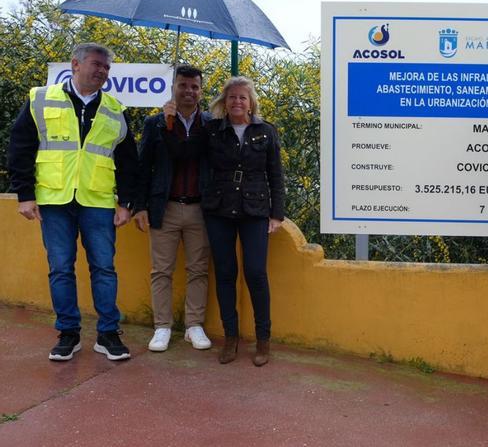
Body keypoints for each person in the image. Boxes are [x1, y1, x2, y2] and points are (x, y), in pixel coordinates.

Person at [7, 42, 138, 361]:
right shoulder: (41, 98)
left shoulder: (114, 108)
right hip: (54, 199)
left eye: (106, 67)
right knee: (61, 268)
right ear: (75, 64)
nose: (102, 71)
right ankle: (68, 333)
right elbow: (20, 146)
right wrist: (25, 194)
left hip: (98, 200)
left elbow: (128, 160)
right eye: (96, 64)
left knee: (104, 268)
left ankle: (108, 334)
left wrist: (127, 202)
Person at [166, 76, 284, 366]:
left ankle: (263, 339)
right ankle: (230, 337)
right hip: (219, 209)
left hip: (255, 210)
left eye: (242, 97)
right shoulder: (212, 131)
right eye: (231, 97)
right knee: (226, 272)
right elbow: (184, 153)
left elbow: (276, 175)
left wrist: (277, 213)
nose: (237, 102)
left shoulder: (266, 132)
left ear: (251, 101)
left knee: (256, 273)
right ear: (223, 101)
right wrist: (170, 123)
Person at [133, 64, 213, 352]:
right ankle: (162, 327)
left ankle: (194, 325)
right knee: (161, 270)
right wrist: (139, 206)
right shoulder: (155, 123)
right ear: (173, 87)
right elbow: (144, 167)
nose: (188, 91)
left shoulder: (211, 123)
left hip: (199, 209)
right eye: (183, 85)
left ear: (201, 91)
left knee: (198, 270)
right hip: (163, 207)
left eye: (194, 86)